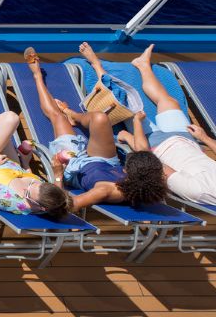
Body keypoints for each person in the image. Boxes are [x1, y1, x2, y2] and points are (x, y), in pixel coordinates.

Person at [29, 44, 166, 210]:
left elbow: (62, 206)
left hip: (77, 164)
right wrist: (137, 122)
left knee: (57, 117)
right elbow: (143, 152)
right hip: (107, 163)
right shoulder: (149, 184)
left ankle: (37, 75)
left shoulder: (105, 190)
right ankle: (72, 114)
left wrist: (58, 174)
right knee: (100, 118)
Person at [0, 51, 71, 219]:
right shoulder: (47, 195)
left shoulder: (12, 201)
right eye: (35, 183)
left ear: (39, 207)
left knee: (11, 118)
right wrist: (26, 165)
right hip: (12, 165)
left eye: (29, 190)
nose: (32, 184)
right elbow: (57, 191)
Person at [115, 44, 216, 205]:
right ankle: (142, 65)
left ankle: (101, 73)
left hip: (158, 146)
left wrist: (129, 136)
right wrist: (204, 137)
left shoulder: (199, 190)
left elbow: (152, 165)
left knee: (129, 104)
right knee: (169, 101)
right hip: (186, 140)